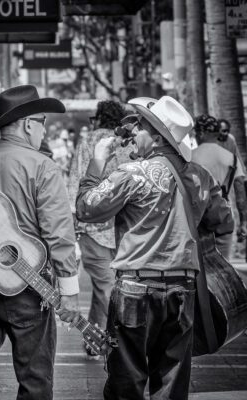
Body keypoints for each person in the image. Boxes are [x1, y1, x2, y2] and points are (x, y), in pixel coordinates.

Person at [76, 96, 234, 400]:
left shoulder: (132, 174)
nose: (133, 131)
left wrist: (96, 165)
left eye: (141, 126)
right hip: (182, 290)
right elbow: (224, 222)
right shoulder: (201, 176)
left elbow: (86, 208)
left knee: (126, 384)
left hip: (136, 290)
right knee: (172, 386)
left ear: (159, 138)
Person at [0, 85, 80, 400]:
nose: (44, 130)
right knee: (35, 383)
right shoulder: (42, 166)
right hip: (29, 286)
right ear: (29, 124)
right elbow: (59, 233)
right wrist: (70, 292)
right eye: (43, 121)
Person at [67, 100, 134, 360]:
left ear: (98, 119)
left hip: (92, 226)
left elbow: (74, 182)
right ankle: (104, 341)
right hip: (122, 226)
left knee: (104, 288)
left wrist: (74, 222)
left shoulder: (88, 142)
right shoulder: (129, 142)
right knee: (109, 287)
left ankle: (97, 339)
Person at [192, 114, 247, 259]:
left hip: (198, 220)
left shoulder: (190, 158)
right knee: (223, 268)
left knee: (201, 269)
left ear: (201, 133)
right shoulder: (231, 158)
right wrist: (244, 222)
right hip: (223, 218)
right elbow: (240, 190)